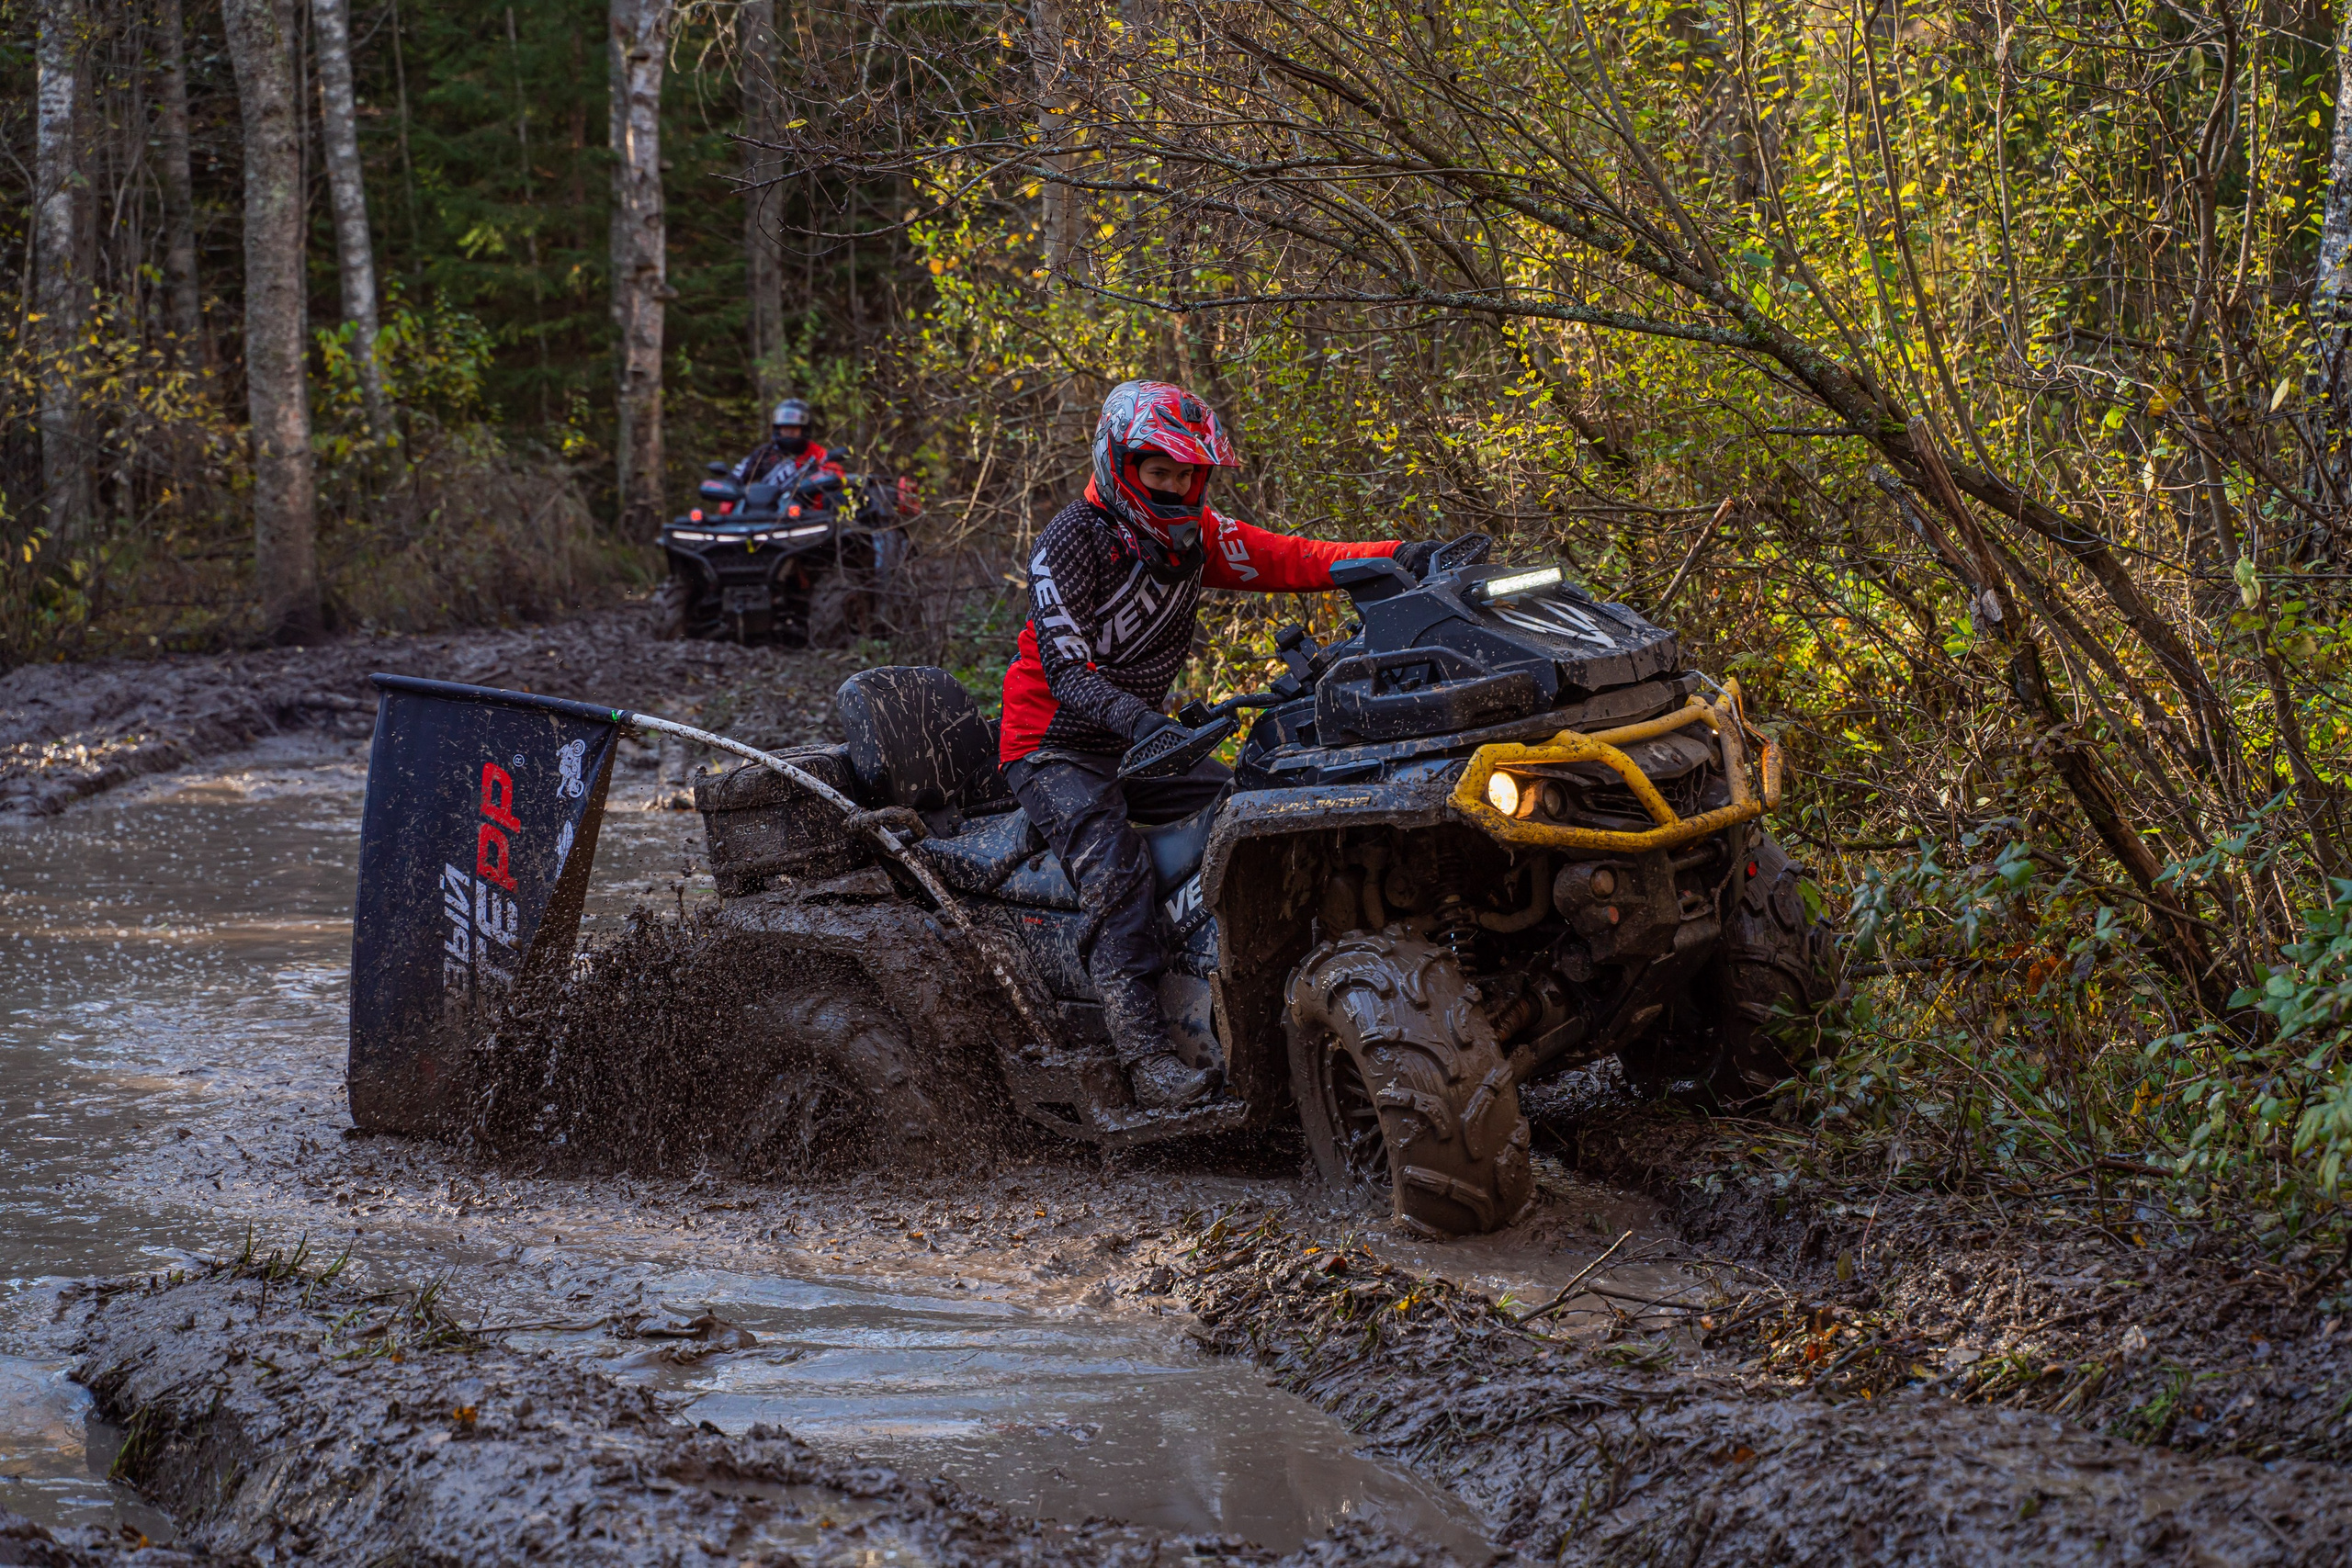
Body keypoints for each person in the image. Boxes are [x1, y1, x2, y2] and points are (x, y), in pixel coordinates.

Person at [999, 380, 1440, 1111]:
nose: (1175, 488)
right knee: (1115, 875)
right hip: (1053, 746)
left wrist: (1402, 557)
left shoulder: (1195, 538)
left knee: (1244, 810)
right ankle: (1145, 1060)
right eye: (1160, 473)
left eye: (1187, 475)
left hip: (1138, 739)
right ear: (1121, 462)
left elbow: (1294, 558)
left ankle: (1227, 981)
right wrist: (1141, 723)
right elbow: (1067, 673)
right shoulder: (1068, 543)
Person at [734, 398, 845, 490]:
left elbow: (835, 476)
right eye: (785, 428)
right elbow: (738, 475)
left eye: (794, 428)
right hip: (765, 509)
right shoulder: (764, 452)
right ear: (778, 429)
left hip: (805, 510)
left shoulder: (817, 453)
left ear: (803, 429)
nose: (789, 431)